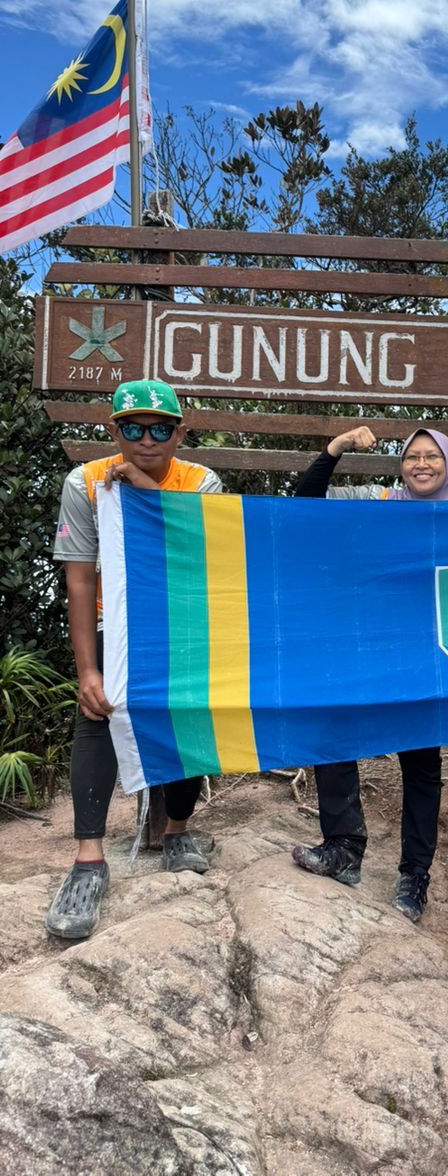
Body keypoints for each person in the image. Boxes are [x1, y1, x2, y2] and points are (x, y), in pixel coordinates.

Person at [46, 379, 223, 939]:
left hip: (182, 620)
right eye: (133, 428)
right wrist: (87, 670)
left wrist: (145, 490)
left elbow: (195, 553)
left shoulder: (201, 482)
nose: (147, 439)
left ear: (180, 432)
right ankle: (88, 860)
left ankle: (177, 830)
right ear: (114, 430)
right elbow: (79, 580)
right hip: (113, 622)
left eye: (160, 429)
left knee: (187, 717)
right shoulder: (85, 481)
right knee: (97, 713)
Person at [290, 424, 448, 922]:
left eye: (432, 456)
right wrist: (335, 448)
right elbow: (306, 504)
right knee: (332, 731)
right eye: (412, 456)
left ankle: (415, 875)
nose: (421, 464)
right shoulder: (378, 501)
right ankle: (343, 847)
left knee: (422, 763)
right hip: (365, 645)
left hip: (427, 657)